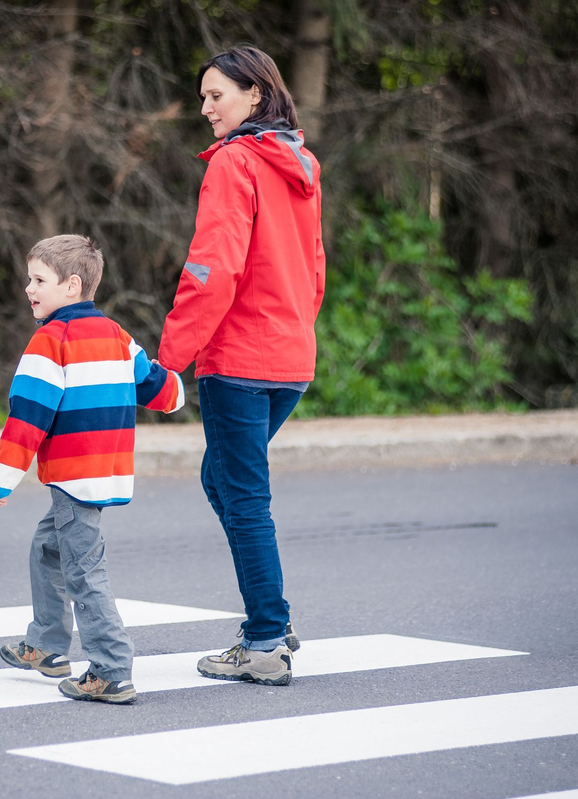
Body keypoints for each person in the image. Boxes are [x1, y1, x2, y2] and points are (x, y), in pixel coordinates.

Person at [157, 45, 325, 686]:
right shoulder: (301, 163)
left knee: (244, 496)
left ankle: (265, 639)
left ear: (256, 95)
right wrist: (298, 334)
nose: (205, 109)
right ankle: (270, 622)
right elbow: (315, 267)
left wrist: (170, 361)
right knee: (223, 481)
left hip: (240, 359)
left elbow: (211, 269)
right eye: (202, 97)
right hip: (290, 357)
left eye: (216, 96)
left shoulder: (235, 163)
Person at [0, 234, 185, 705]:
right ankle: (47, 645)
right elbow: (158, 388)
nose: (28, 288)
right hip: (104, 470)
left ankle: (111, 670)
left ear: (72, 285)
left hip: (74, 476)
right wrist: (177, 389)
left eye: (39, 280)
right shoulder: (117, 336)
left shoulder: (50, 340)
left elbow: (27, 414)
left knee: (84, 571)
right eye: (28, 278)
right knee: (47, 548)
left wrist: (2, 475)